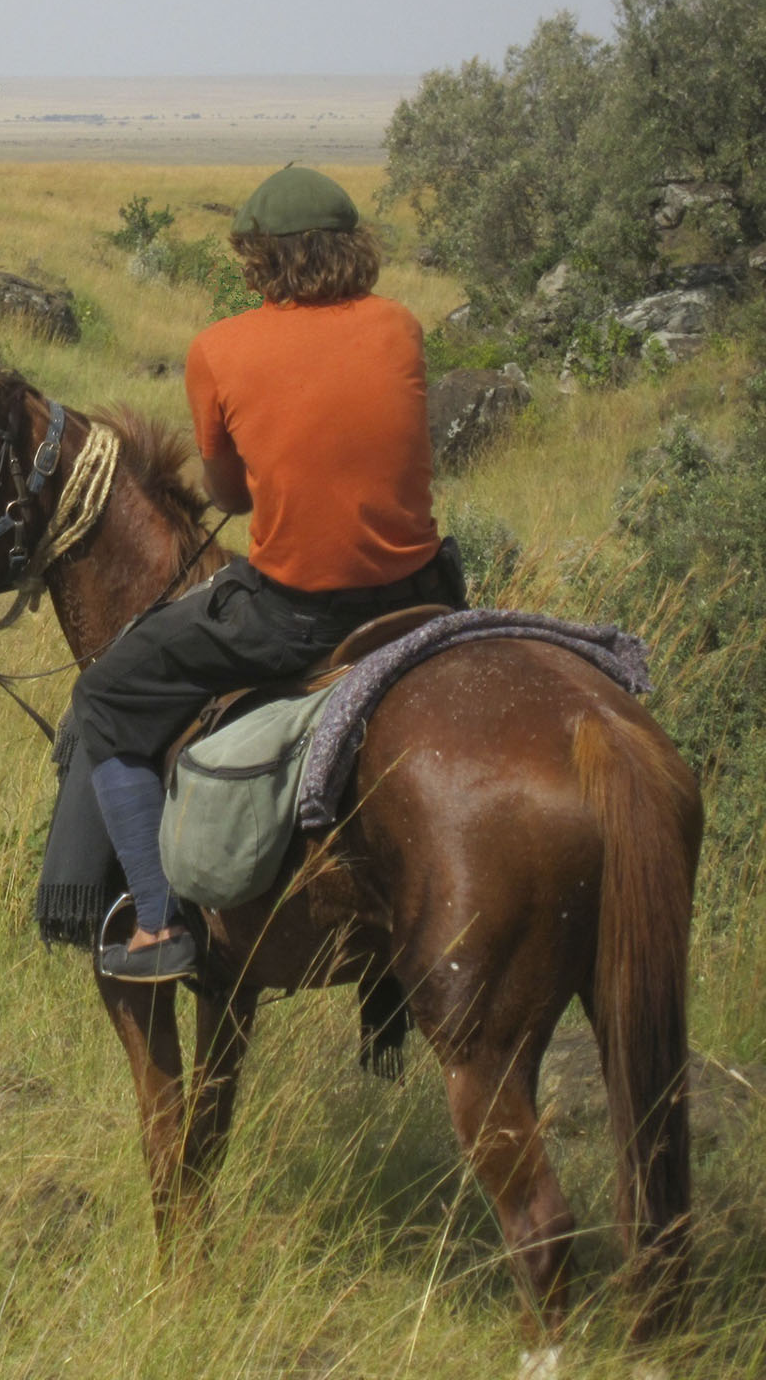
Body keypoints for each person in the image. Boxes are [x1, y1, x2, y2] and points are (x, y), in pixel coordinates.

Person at [70, 164, 466, 983]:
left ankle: (155, 923)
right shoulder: (400, 326)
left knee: (104, 697)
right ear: (351, 248)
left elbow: (227, 497)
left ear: (258, 259)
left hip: (299, 615)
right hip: (426, 595)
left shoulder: (218, 349)